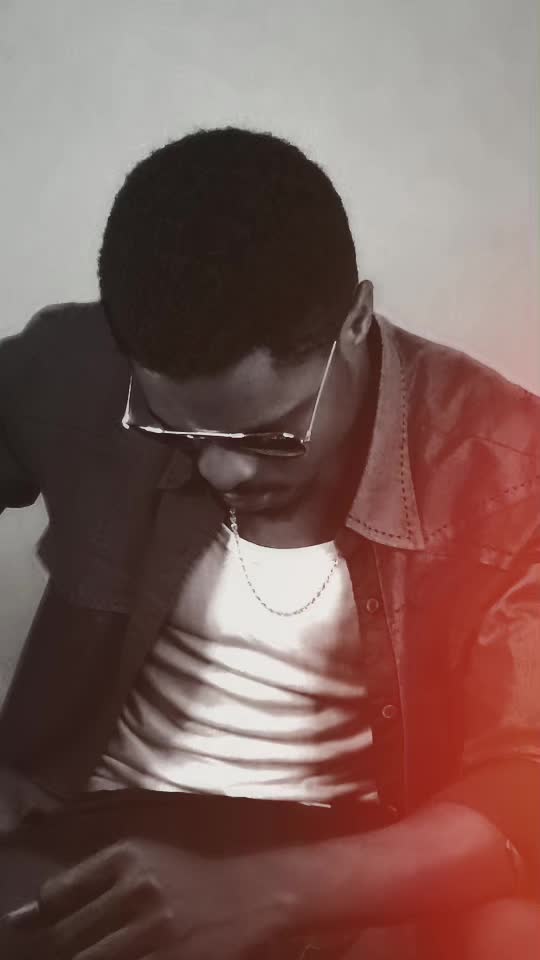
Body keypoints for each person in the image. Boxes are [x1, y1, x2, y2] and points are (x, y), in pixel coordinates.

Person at [0, 126, 539, 959]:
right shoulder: (80, 365)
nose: (222, 469)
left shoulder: (503, 463)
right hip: (89, 830)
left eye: (271, 434)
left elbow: (523, 780)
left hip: (362, 860)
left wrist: (260, 895)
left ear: (355, 321)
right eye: (176, 428)